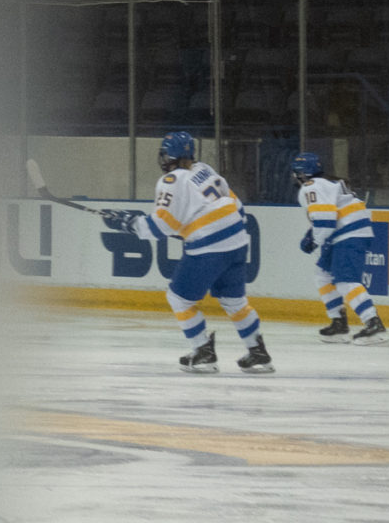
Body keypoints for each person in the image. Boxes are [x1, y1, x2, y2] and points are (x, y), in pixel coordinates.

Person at [106, 131, 270, 374]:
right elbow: (233, 205)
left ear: (167, 156)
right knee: (234, 301)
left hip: (210, 245)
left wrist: (129, 224)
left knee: (179, 298)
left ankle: (203, 352)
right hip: (237, 240)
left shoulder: (171, 181)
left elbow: (159, 227)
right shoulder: (204, 169)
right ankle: (258, 354)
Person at [291, 153, 385, 343]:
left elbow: (325, 221)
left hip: (349, 234)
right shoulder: (325, 183)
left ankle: (373, 323)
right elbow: (328, 216)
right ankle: (339, 324)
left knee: (345, 280)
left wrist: (314, 240)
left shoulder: (312, 186)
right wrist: (314, 234)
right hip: (345, 233)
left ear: (301, 174)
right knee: (322, 274)